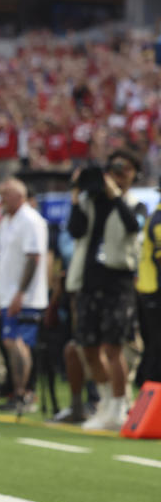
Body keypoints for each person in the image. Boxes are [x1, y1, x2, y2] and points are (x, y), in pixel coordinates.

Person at [68, 151, 143, 431]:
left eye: (124, 169)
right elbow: (75, 230)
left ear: (134, 173)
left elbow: (132, 227)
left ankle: (120, 406)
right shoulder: (90, 202)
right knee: (88, 347)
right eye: (114, 169)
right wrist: (77, 192)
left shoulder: (134, 204)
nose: (118, 174)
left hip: (117, 282)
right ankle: (106, 403)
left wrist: (116, 197)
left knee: (114, 347)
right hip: (89, 281)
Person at [0, 179, 49, 414]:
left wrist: (20, 293)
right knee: (9, 342)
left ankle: (23, 394)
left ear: (19, 196)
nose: (1, 199)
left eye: (5, 194)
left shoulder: (30, 220)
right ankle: (17, 392)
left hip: (24, 297)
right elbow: (5, 260)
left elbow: (33, 257)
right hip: (7, 294)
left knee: (18, 343)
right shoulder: (6, 221)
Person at [135, 182, 161, 386]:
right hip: (154, 290)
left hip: (149, 289)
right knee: (156, 346)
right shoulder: (159, 220)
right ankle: (149, 391)